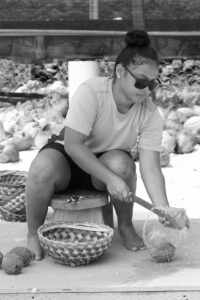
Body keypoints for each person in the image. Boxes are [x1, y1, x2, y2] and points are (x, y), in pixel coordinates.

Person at [26, 30, 189, 260]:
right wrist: (111, 179)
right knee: (41, 167)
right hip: (68, 160)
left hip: (104, 167)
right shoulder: (92, 92)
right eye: (141, 82)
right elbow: (73, 145)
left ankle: (125, 226)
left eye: (153, 84)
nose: (147, 90)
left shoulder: (150, 113)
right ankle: (33, 234)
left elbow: (151, 168)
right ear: (120, 71)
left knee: (123, 166)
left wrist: (163, 208)